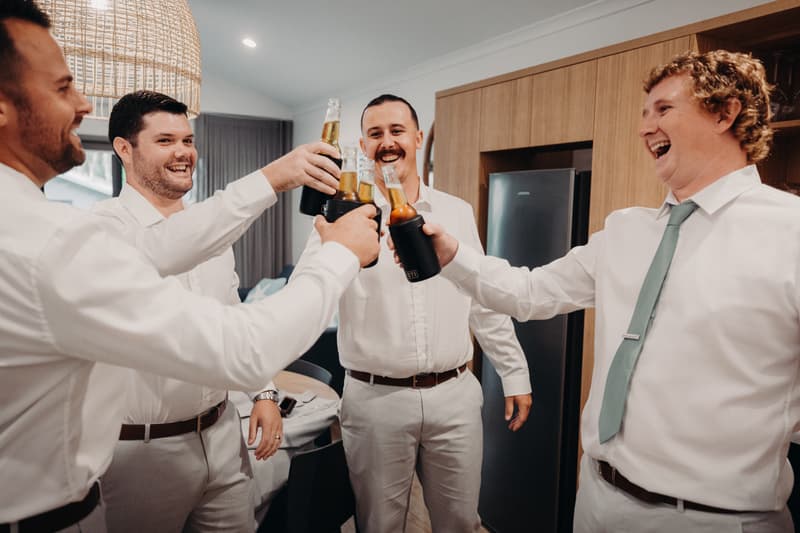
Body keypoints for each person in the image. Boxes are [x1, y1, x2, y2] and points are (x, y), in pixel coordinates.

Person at [0, 1, 379, 531]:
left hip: (219, 436)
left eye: (187, 140)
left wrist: (273, 178)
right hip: (121, 467)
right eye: (62, 88)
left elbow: (176, 249)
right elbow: (241, 347)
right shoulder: (60, 236)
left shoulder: (47, 228)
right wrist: (339, 253)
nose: (83, 103)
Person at [419, 50, 797, 532]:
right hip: (596, 498)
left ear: (725, 113)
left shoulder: (790, 232)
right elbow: (529, 292)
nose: (644, 128)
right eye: (644, 113)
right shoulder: (625, 230)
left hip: (716, 520)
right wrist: (452, 255)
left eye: (663, 109)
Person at [293, 94, 533, 532]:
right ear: (363, 146)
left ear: (418, 138)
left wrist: (514, 372)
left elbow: (481, 298)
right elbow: (305, 295)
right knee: (378, 524)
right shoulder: (341, 215)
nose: (387, 142)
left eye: (397, 131)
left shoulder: (457, 212)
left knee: (460, 522)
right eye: (375, 133)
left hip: (455, 397)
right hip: (375, 401)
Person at [91, 90, 283, 532]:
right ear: (124, 149)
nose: (183, 153)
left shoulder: (212, 233)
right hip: (141, 455)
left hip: (223, 437)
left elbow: (231, 319)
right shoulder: (101, 228)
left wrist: (264, 392)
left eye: (188, 140)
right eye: (165, 141)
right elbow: (156, 256)